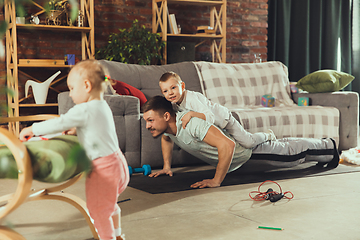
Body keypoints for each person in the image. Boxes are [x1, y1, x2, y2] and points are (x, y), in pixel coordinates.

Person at [19, 60, 129, 240]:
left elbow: (60, 122)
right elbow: (97, 127)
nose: (70, 94)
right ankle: (117, 235)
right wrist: (78, 129)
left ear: (86, 85)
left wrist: (32, 129)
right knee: (110, 205)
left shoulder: (84, 109)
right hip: (119, 164)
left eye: (71, 88)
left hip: (103, 169)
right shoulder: (102, 105)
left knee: (98, 211)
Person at [143, 96, 339, 189]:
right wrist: (167, 166)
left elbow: (227, 145)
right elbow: (168, 139)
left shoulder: (191, 123)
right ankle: (270, 136)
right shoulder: (170, 128)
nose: (147, 126)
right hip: (236, 163)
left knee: (292, 154)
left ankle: (328, 146)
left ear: (167, 116)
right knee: (285, 146)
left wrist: (216, 181)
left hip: (246, 154)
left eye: (150, 121)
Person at [158, 71, 276, 149]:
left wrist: (191, 114)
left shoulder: (191, 99)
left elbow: (210, 117)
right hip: (215, 128)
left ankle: (267, 135)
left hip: (224, 119)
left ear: (182, 86)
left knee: (248, 142)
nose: (170, 93)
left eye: (173, 88)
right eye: (165, 91)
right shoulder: (174, 104)